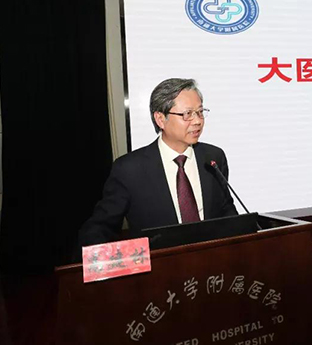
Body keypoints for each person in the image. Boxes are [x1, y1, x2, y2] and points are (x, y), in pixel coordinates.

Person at [79, 78, 237, 246]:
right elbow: (101, 227)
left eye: (200, 112)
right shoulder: (129, 169)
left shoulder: (213, 157)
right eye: (187, 114)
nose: (197, 121)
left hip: (211, 259)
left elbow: (226, 211)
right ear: (160, 119)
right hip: (160, 260)